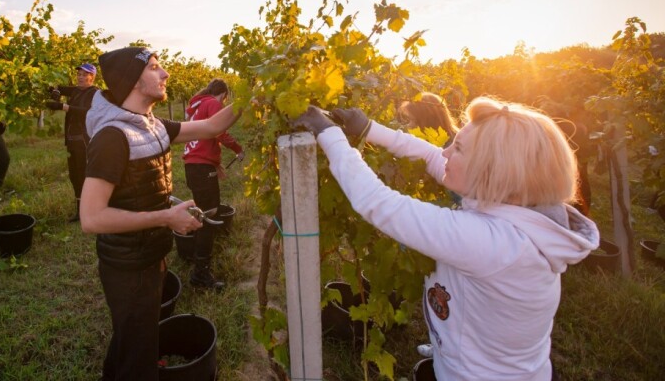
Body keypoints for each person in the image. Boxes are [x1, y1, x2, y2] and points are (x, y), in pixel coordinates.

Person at [294, 97, 600, 381]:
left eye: (460, 149)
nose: (445, 151)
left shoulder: (499, 245)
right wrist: (369, 129)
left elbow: (379, 203)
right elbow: (429, 154)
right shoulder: (514, 206)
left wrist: (329, 135)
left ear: (494, 173)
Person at [80, 46, 241, 381]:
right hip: (128, 268)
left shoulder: (150, 125)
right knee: (139, 359)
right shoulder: (112, 137)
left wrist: (255, 98)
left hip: (149, 257)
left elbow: (211, 127)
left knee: (132, 343)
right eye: (155, 67)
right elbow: (91, 218)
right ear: (133, 82)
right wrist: (166, 218)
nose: (165, 73)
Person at [182, 78, 245, 290]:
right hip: (201, 168)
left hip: (193, 166)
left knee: (202, 211)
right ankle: (200, 274)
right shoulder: (213, 104)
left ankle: (195, 255)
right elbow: (220, 132)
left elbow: (201, 139)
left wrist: (213, 162)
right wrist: (238, 148)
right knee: (209, 215)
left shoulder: (196, 105)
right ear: (224, 95)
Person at [45, 63, 98, 222]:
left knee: (85, 176)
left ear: (92, 77)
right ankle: (80, 211)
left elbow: (89, 113)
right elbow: (56, 87)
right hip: (71, 142)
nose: (80, 77)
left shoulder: (95, 93)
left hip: (84, 142)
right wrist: (54, 91)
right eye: (79, 74)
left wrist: (64, 106)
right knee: (74, 176)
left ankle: (93, 210)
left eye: (84, 75)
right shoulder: (75, 90)